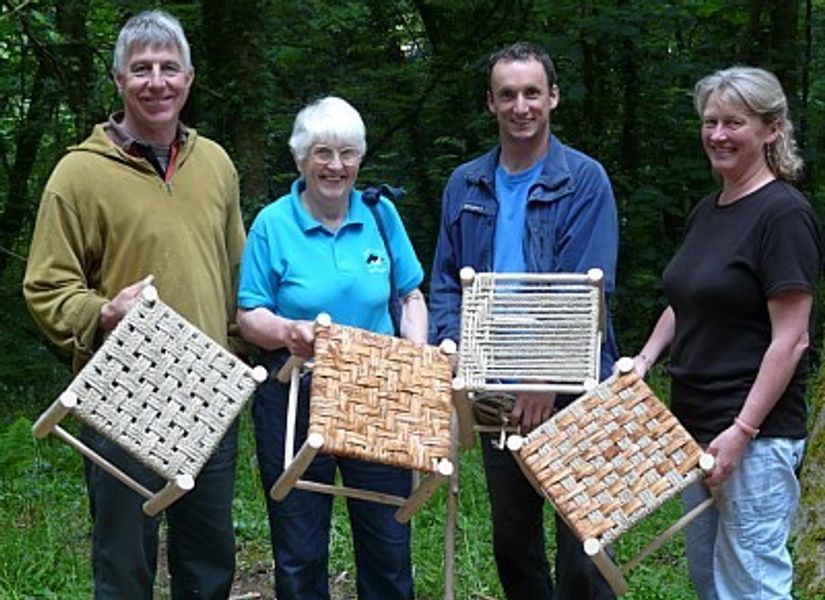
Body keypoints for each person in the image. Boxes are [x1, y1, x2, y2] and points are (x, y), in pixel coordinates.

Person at [23, 10, 246, 598]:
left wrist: (249, 346)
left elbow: (235, 274)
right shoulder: (78, 174)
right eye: (141, 68)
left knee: (210, 561)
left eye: (169, 68)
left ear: (189, 79)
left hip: (208, 392)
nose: (157, 81)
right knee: (123, 565)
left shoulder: (216, 164)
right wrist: (100, 313)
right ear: (119, 80)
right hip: (122, 393)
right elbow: (46, 287)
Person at [429, 42, 619, 600]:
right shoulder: (466, 184)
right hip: (493, 386)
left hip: (572, 388)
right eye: (507, 94)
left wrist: (544, 378)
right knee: (514, 542)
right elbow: (446, 280)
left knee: (583, 545)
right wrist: (451, 349)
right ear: (490, 102)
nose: (521, 106)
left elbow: (587, 286)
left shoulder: (584, 180)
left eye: (532, 92)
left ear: (553, 97)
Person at [634, 66, 821, 599]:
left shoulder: (783, 214)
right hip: (694, 428)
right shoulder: (707, 211)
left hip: (754, 435)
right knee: (709, 583)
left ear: (772, 129)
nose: (717, 134)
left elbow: (792, 339)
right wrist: (645, 360)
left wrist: (742, 431)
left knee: (752, 585)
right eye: (710, 121)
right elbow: (684, 302)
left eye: (734, 122)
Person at [236, 96, 427, 600]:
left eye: (347, 153)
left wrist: (417, 350)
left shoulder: (381, 214)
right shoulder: (272, 225)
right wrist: (286, 332)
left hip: (377, 397)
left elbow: (411, 294)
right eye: (322, 152)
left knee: (389, 546)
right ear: (300, 158)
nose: (336, 165)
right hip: (295, 394)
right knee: (299, 555)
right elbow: (248, 315)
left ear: (361, 158)